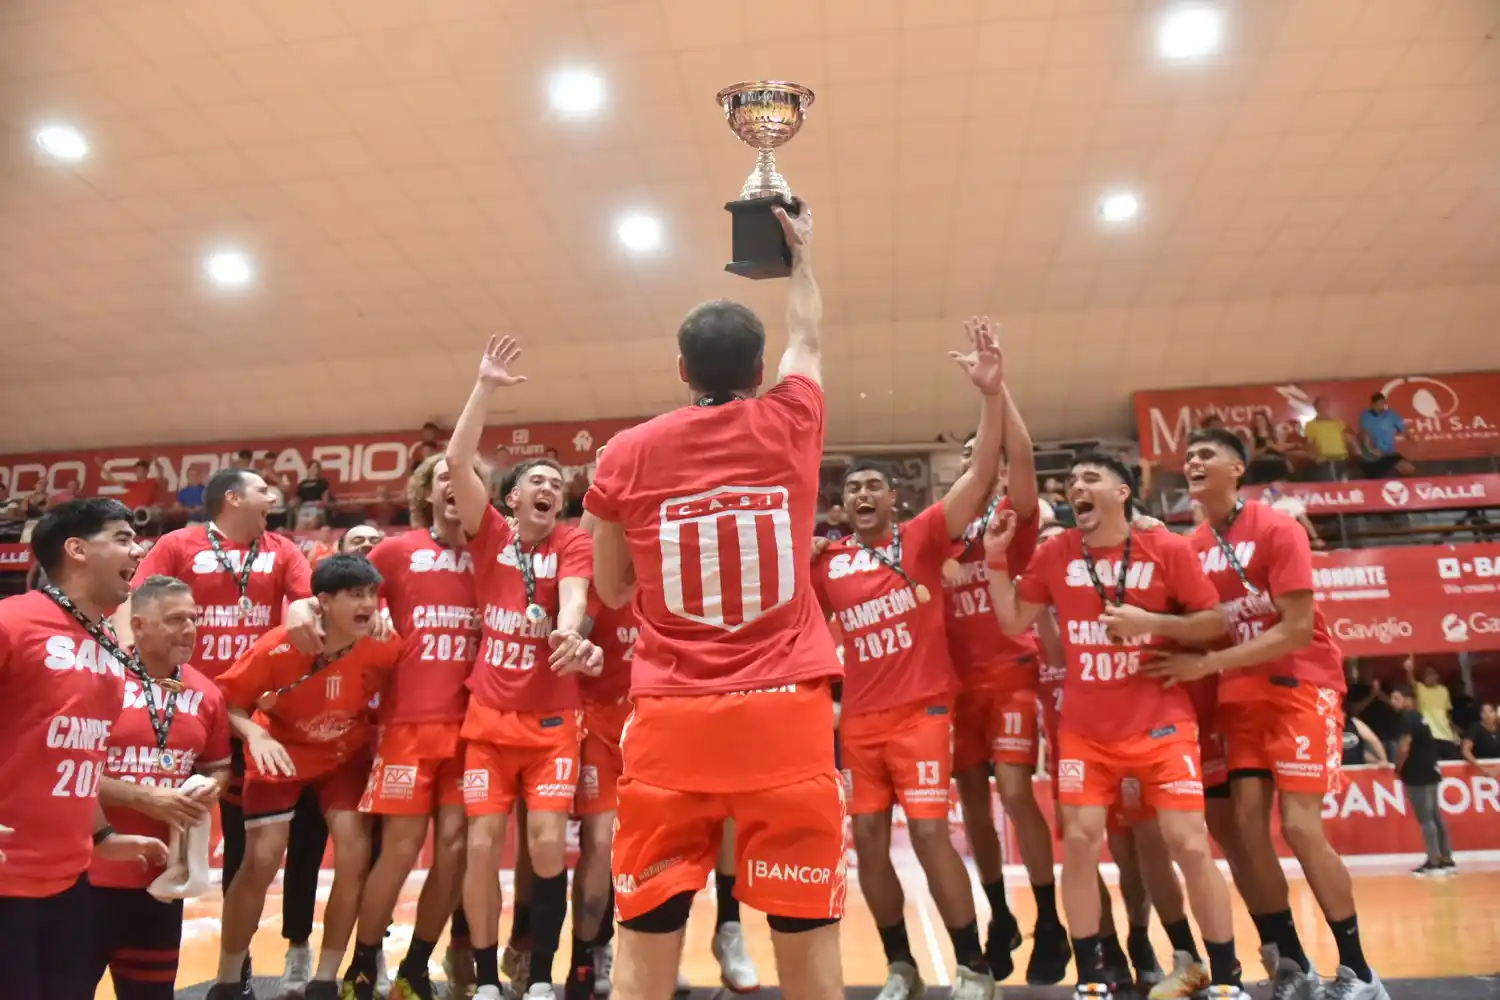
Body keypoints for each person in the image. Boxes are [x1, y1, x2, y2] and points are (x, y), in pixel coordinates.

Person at [584, 202, 845, 1000]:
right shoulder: (793, 419)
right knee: (807, 952)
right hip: (786, 720)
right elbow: (808, 336)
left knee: (644, 949)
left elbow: (611, 587)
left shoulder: (625, 454)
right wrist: (799, 259)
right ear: (760, 369)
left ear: (681, 371)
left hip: (672, 721)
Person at [984, 452, 1247, 999]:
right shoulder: (1056, 552)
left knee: (1189, 845)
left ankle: (1226, 979)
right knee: (1079, 843)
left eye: (1089, 479)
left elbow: (1215, 620)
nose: (1074, 487)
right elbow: (1012, 621)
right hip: (1086, 728)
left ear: (1122, 492)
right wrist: (992, 560)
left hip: (1161, 722)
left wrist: (1152, 622)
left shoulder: (1166, 547)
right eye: (1071, 482)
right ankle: (1093, 979)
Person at [1149, 427, 1388, 1000]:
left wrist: (1212, 664)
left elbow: (1298, 629)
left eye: (1207, 454)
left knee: (1301, 828)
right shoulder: (1193, 545)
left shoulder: (1276, 527)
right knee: (1246, 835)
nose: (1194, 463)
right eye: (1189, 458)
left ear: (1238, 468)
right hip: (1239, 698)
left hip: (1300, 687)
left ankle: (1358, 971)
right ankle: (1292, 964)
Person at [810, 317, 1006, 1000]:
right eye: (853, 489)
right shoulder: (827, 562)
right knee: (865, 839)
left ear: (896, 498)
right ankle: (901, 966)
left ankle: (973, 965)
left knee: (927, 835)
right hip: (859, 721)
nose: (863, 495)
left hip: (923, 712)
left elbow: (982, 478)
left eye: (875, 487)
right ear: (842, 505)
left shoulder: (924, 537)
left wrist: (991, 393)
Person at [118, 467, 321, 997]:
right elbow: (134, 611)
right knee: (150, 824)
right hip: (180, 707)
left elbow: (302, 600)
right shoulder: (176, 544)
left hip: (248, 714)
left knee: (244, 848)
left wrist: (306, 612)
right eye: (263, 490)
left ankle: (240, 963)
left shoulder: (282, 549)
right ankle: (121, 934)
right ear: (232, 498)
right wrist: (127, 675)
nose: (274, 496)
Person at [446, 338, 603, 1000]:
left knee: (544, 847)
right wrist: (484, 387)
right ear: (510, 498)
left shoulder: (572, 541)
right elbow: (455, 461)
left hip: (551, 722)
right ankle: (485, 980)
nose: (548, 487)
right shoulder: (488, 534)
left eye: (556, 483)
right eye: (535, 480)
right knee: (481, 848)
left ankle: (538, 975)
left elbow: (573, 598)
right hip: (488, 718)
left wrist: (568, 633)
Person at [206, 554, 398, 1000]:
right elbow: (226, 703)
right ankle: (228, 979)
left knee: (354, 852)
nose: (367, 603)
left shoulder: (384, 643)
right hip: (282, 754)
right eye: (355, 595)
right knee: (261, 860)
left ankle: (326, 978)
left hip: (342, 758)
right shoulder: (278, 645)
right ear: (324, 603)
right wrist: (255, 734)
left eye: (372, 594)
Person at [0, 499, 169, 999]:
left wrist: (101, 835)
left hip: (69, 882)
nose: (136, 550)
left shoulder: (104, 645)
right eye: (120, 538)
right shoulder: (13, 620)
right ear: (75, 549)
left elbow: (75, 754)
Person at [941, 389, 1071, 984]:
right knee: (971, 808)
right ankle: (1000, 916)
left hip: (1012, 678)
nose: (983, 461)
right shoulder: (940, 530)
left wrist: (996, 393)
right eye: (972, 455)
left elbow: (1021, 460)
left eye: (987, 452)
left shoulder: (1014, 524)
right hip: (958, 690)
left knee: (1015, 792)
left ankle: (1048, 920)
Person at [344, 456, 482, 1000]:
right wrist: (356, 616)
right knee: (399, 850)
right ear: (427, 492)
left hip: (473, 729)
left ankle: (416, 968)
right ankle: (362, 965)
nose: (454, 486)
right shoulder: (395, 551)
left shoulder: (490, 553)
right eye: (443, 477)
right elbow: (334, 601)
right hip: (407, 726)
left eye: (465, 479)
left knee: (453, 849)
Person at [90, 575, 233, 1000]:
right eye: (173, 620)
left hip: (161, 882)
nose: (188, 629)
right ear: (138, 625)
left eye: (192, 619)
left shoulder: (206, 693)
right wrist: (141, 797)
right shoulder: (98, 678)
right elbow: (62, 768)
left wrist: (209, 788)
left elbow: (218, 767)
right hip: (85, 878)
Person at [1390, 685, 1452, 876]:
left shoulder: (1407, 718)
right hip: (1430, 770)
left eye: (1396, 697)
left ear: (1408, 699)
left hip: (1417, 774)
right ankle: (1446, 858)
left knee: (1426, 819)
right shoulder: (1419, 717)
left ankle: (1433, 860)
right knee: (1435, 816)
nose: (1393, 702)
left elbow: (1404, 747)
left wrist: (1398, 767)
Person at [1404, 657, 1460, 759]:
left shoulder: (1444, 690)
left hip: (1446, 735)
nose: (1427, 676)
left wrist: (1454, 729)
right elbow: (1411, 680)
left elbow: (1446, 713)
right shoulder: (1421, 688)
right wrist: (1409, 671)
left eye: (1430, 673)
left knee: (1452, 763)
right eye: (1425, 674)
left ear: (1437, 676)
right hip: (1430, 736)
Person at [1357, 392, 1416, 478]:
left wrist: (1413, 442)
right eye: (1380, 403)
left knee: (1409, 469)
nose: (1383, 405)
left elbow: (1404, 429)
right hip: (1373, 456)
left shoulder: (1391, 414)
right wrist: (1371, 449)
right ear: (1373, 404)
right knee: (1374, 478)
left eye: (1384, 403)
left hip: (1389, 454)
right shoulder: (1365, 415)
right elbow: (1365, 433)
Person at [1462, 703, 1500, 776]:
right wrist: (1482, 768)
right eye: (1484, 712)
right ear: (1480, 715)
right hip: (1479, 770)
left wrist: (1498, 768)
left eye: (1491, 711)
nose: (1488, 715)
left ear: (1496, 713)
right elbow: (1465, 751)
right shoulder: (1474, 728)